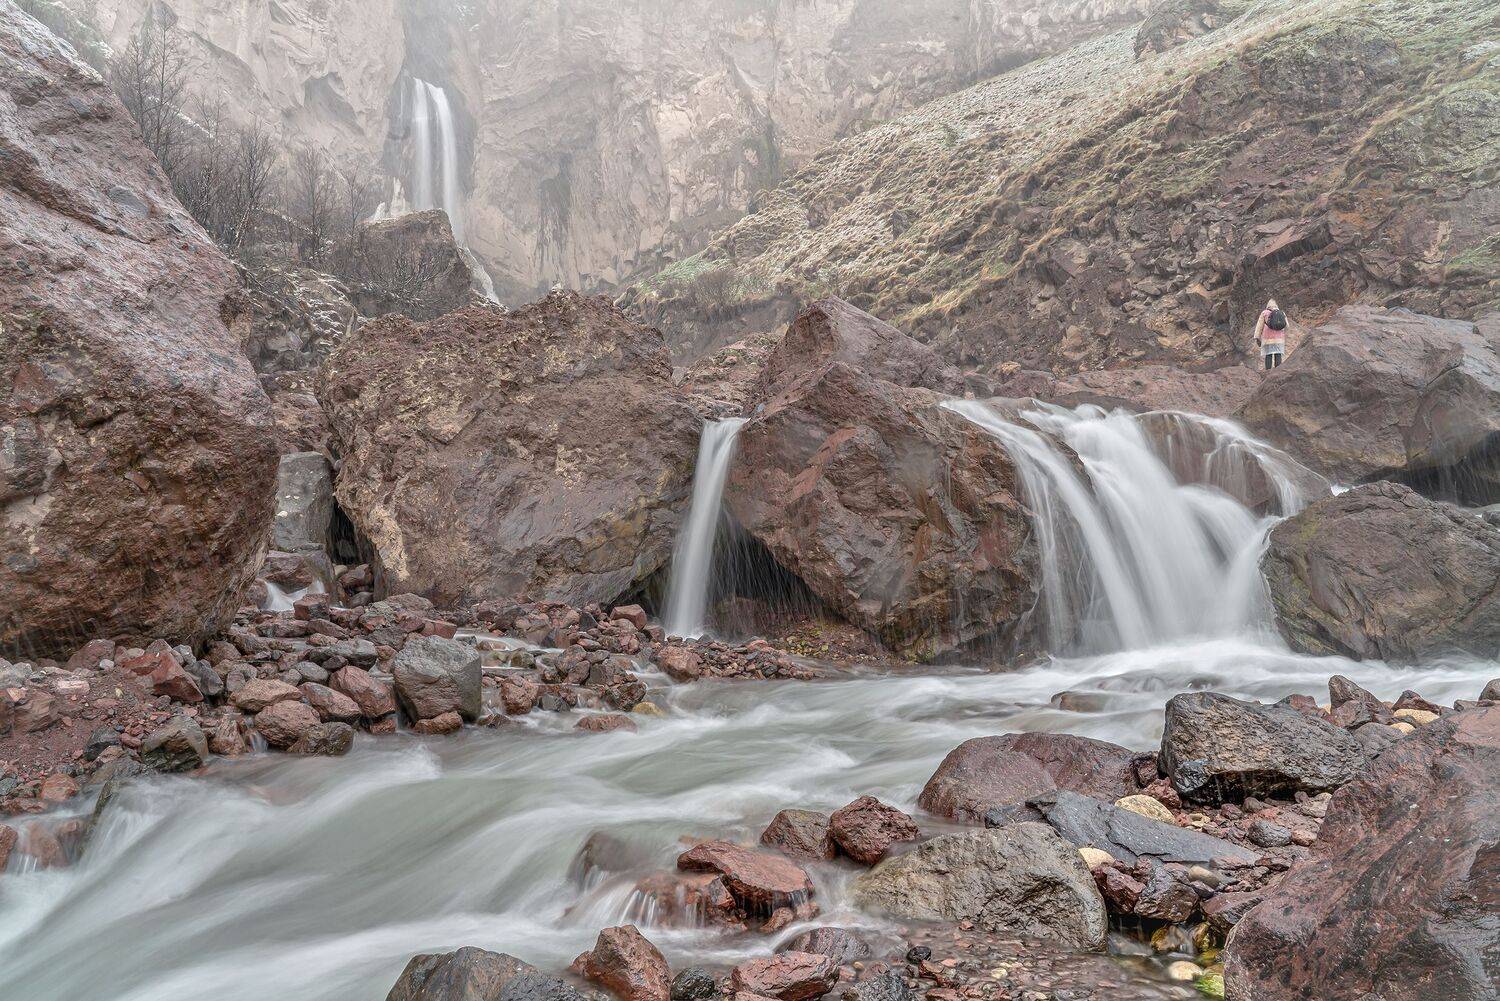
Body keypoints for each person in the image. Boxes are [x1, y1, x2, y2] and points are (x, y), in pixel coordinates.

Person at [1253, 298, 1288, 370]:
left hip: (1267, 339)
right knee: (1278, 355)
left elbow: (1259, 326)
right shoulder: (1282, 313)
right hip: (1279, 339)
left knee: (1268, 355)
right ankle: (1278, 371)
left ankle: (1268, 372)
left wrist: (1257, 337)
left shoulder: (1264, 313)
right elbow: (1287, 326)